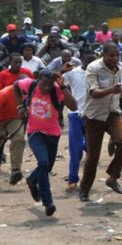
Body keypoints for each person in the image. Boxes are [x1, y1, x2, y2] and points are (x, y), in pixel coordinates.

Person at [14, 71, 77, 216]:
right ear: (38, 80)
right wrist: (20, 107)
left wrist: (63, 87)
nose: (46, 88)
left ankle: (32, 179)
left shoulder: (56, 89)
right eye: (43, 84)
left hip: (53, 134)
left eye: (49, 85)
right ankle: (47, 202)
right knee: (42, 163)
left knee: (46, 168)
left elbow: (73, 106)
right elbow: (16, 86)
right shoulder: (30, 84)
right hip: (35, 132)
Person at [79, 43, 122, 202]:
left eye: (117, 55)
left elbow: (118, 87)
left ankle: (113, 177)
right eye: (111, 56)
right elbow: (94, 93)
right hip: (94, 116)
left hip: (113, 112)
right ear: (103, 54)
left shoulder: (120, 67)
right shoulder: (93, 68)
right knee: (93, 156)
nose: (114, 59)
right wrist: (111, 90)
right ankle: (84, 189)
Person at [63, 51, 96, 191]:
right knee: (75, 150)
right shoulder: (72, 73)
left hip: (92, 115)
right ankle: (72, 179)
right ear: (82, 60)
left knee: (92, 149)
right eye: (87, 61)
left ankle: (87, 180)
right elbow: (58, 82)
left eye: (93, 61)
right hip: (75, 114)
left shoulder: (98, 73)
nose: (90, 64)